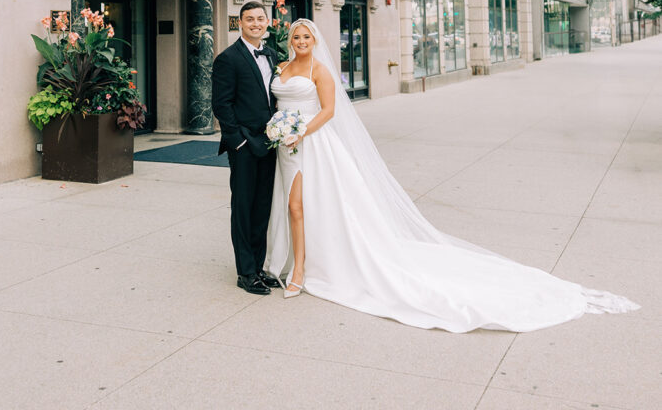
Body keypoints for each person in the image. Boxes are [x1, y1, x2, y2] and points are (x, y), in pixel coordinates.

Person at [264, 18, 639, 331]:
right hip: (286, 146)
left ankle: (300, 270)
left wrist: (300, 131)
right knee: (296, 206)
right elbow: (278, 101)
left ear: (316, 40)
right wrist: (279, 129)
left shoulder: (321, 70)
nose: (300, 41)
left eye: (306, 36)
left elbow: (328, 111)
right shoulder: (280, 68)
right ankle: (298, 258)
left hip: (314, 144)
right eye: (295, 36)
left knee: (300, 206)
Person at [212, 1, 281, 295]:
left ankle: (259, 266)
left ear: (267, 22)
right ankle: (245, 272)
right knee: (243, 207)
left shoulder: (272, 54)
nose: (255, 23)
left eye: (260, 18)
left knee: (262, 207)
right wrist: (237, 141)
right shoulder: (228, 58)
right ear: (239, 23)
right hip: (244, 145)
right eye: (249, 19)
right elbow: (221, 104)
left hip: (270, 142)